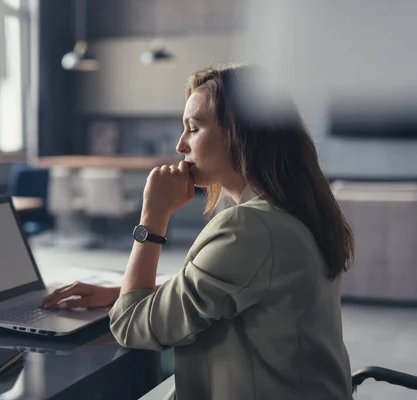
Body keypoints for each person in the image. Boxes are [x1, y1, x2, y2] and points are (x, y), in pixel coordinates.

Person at [42, 65, 354, 400]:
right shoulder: (295, 208)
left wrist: (152, 216)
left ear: (241, 133)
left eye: (194, 128)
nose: (180, 146)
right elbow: (229, 288)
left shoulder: (249, 228)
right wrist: (119, 291)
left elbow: (132, 326)